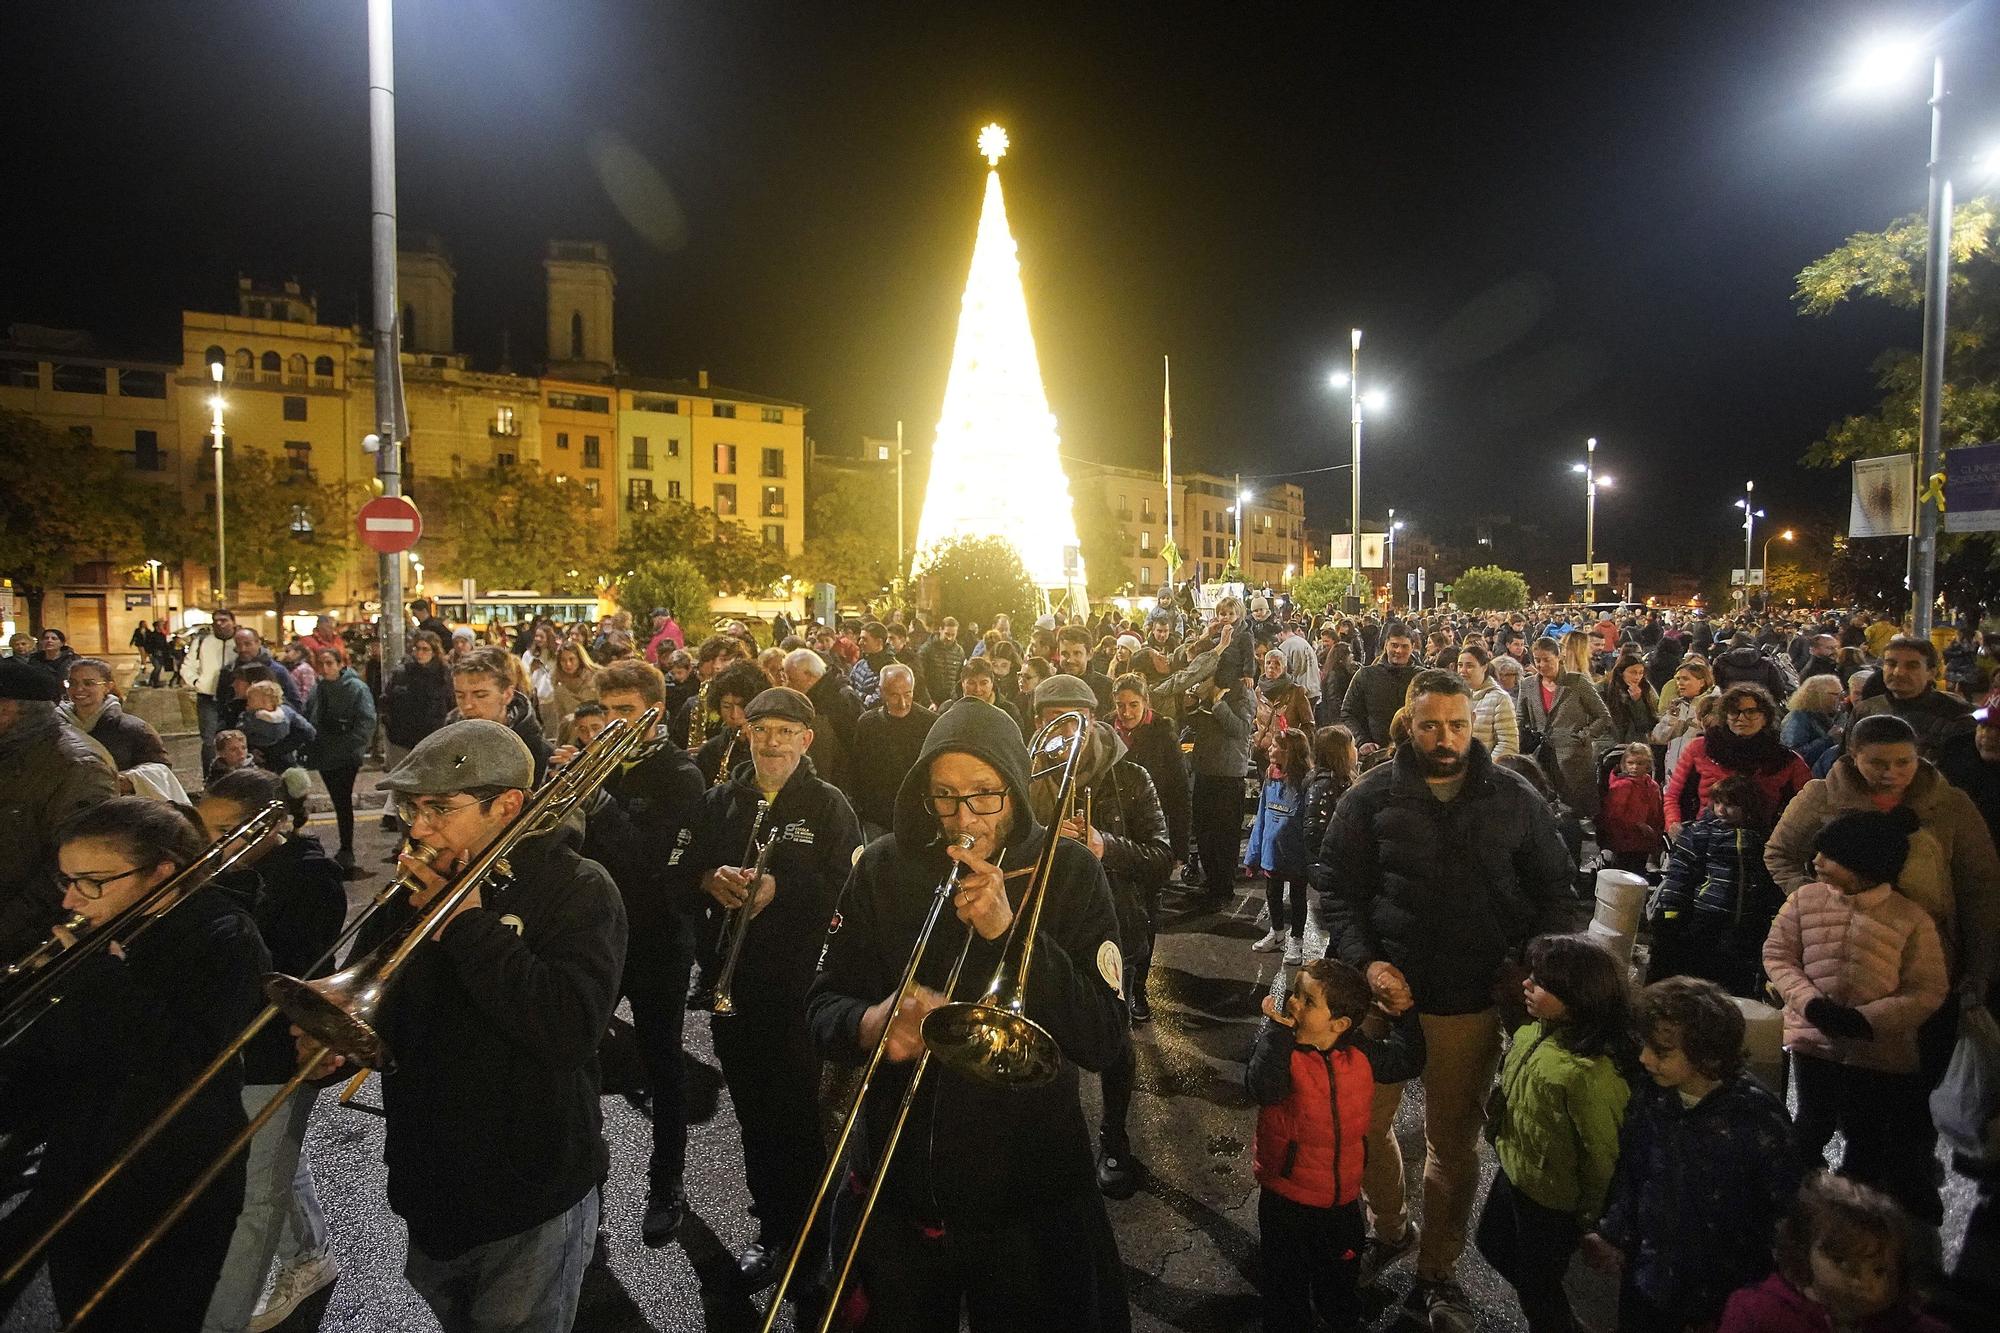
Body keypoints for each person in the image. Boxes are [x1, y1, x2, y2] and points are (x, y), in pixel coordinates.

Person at [803, 699, 1132, 1329]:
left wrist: (1013, 935)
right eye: (945, 795)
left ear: (1016, 789)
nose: (964, 816)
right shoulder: (880, 867)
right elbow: (822, 1000)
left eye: (985, 795)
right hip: (899, 1193)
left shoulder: (1072, 873)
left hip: (1030, 1200)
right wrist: (870, 1022)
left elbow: (1102, 1036)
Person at [298, 720, 626, 1333]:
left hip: (530, 1188)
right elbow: (376, 1000)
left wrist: (465, 924)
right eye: (411, 809)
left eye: (440, 809)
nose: (419, 829)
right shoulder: (415, 884)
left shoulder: (580, 888)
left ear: (507, 805)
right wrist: (337, 1047)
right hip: (431, 1180)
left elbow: (568, 1030)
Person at [1313, 669, 1577, 1330]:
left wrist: (1527, 973)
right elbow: (1337, 889)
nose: (1446, 737)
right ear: (1409, 723)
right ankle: (1390, 1225)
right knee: (1365, 1127)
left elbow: (1556, 892)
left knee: (1451, 1145)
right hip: (1385, 1003)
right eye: (1431, 724)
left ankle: (1435, 1270)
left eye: (1457, 724)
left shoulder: (1514, 798)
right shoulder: (1370, 796)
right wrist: (1369, 961)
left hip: (1471, 1001)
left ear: (1475, 722)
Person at [0, 798, 268, 1331]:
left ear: (162, 873)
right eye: (67, 881)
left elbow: (186, 1062)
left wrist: (100, 982)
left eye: (91, 881)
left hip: (169, 1169)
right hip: (82, 1155)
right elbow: (58, 1055)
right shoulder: (100, 933)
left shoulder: (225, 934)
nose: (72, 899)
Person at [668, 688, 860, 1295]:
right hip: (733, 987)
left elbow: (850, 891)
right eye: (761, 730)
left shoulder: (830, 807)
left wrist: (783, 888)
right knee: (753, 1115)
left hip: (798, 987)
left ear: (806, 740)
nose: (771, 742)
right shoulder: (718, 801)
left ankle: (812, 1237)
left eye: (784, 731)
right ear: (745, 735)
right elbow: (673, 873)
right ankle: (775, 1228)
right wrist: (708, 879)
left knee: (798, 1117)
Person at [1765, 712, 2000, 1087]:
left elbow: (1980, 887)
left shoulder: (1950, 805)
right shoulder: (1821, 797)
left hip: (1926, 957)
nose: (1891, 772)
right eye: (1877, 763)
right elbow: (1780, 853)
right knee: (1831, 1078)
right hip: (1835, 958)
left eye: (1903, 762)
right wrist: (1816, 901)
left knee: (1915, 1081)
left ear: (1919, 756)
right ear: (1854, 755)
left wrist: (1980, 964)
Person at [196, 769, 347, 1333]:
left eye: (229, 831)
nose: (216, 845)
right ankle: (310, 1256)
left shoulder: (307, 876)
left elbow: (278, 961)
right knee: (271, 1158)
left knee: (256, 1192)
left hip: (279, 1042)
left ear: (275, 822)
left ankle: (224, 1318)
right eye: (206, 832)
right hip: (234, 1042)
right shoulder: (227, 875)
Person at [570, 659, 709, 1248]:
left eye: (626, 711)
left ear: (653, 711)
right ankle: (585, 1186)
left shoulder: (681, 775)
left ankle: (666, 1181)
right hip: (597, 938)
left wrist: (599, 803)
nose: (614, 722)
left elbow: (656, 869)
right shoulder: (600, 765)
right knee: (579, 1058)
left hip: (657, 938)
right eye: (608, 711)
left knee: (661, 1058)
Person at [1582, 976, 1801, 1333]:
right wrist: (1614, 1232)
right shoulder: (1652, 1095)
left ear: (1709, 1055)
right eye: (1645, 1045)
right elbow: (1633, 1171)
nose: (1644, 1058)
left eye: (1661, 1052)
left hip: (1718, 1295)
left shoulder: (1757, 1118)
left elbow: (1783, 1210)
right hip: (1647, 1278)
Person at [1763, 808, 1949, 1223]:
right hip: (1813, 1040)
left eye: (1829, 856)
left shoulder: (1910, 918)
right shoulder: (1805, 900)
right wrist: (1808, 1001)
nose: (1817, 862)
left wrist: (1869, 1020)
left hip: (1878, 1053)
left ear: (1865, 863)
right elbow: (1778, 955)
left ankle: (1850, 1219)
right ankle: (1790, 1209)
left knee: (1866, 1139)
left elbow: (1927, 988)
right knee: (1811, 1124)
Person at [1025, 674, 1171, 1198]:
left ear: (1093, 722)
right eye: (1051, 720)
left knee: (1112, 1039)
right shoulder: (1025, 776)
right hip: (1045, 928)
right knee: (1043, 1038)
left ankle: (1114, 1136)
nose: (1063, 732)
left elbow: (1161, 855)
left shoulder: (1129, 775)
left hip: (1113, 925)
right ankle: (1052, 1138)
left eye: (1075, 720)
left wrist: (1102, 844)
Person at [1246, 959, 1425, 1333]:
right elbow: (1263, 1087)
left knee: (1341, 1269)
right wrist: (1275, 1033)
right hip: (1286, 1199)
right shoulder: (1285, 1051)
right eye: (1295, 994)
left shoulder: (1359, 1053)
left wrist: (1405, 1017)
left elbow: (1406, 1060)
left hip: (1341, 1200)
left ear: (1340, 1024)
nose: (1294, 1003)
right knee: (1284, 1281)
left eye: (1307, 1001)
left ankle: (1340, 1314)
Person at [1476, 935, 1633, 1333]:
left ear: (1578, 999)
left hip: (1551, 1201)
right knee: (1491, 1244)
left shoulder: (1589, 1074)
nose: (1526, 984)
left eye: (1540, 983)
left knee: (1537, 1286)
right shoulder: (1535, 1030)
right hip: (1514, 1170)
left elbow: (1601, 1156)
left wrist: (1591, 1221)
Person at [1718, 1172, 1950, 1333]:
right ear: (1803, 1251)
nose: (1863, 1282)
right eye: (1845, 1264)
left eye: (1879, 1271)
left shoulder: (1905, 1323)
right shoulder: (1758, 1314)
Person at [1664, 683, 1810, 835]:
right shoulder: (1700, 748)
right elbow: (1674, 795)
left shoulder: (1785, 760)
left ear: (1765, 716)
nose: (1741, 718)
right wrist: (1674, 825)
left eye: (1751, 712)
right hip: (1705, 840)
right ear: (1725, 716)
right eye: (1734, 712)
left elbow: (1807, 805)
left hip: (1761, 842)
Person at [1516, 635, 1613, 818]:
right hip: (1541, 756)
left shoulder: (1577, 682)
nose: (1541, 665)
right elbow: (1520, 719)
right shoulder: (1527, 684)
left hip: (1573, 757)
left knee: (1576, 809)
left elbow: (1603, 716)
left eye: (1547, 660)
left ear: (1559, 657)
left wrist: (1585, 735)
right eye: (1537, 660)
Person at [1110, 672, 1190, 887]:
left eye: (1133, 705)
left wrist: (1179, 847)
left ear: (1145, 702)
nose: (1126, 713)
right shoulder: (1106, 730)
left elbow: (1179, 791)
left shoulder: (1163, 733)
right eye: (1120, 705)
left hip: (1150, 824)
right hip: (1117, 825)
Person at [306, 643, 375, 879]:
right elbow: (310, 714)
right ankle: (345, 849)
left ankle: (347, 849)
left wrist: (351, 746)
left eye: (329, 663)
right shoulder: (319, 688)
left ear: (340, 664)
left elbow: (366, 722)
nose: (325, 669)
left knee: (343, 802)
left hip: (345, 755)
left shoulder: (355, 688)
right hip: (325, 752)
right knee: (338, 800)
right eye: (321, 664)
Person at [850, 663, 938, 842]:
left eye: (908, 694)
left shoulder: (930, 723)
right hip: (877, 817)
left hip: (918, 817)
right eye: (894, 695)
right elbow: (857, 770)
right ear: (882, 692)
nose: (903, 703)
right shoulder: (867, 724)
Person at [1246, 730, 1313, 961]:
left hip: (1295, 852)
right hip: (1272, 850)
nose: (1269, 749)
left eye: (1274, 746)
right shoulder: (1270, 775)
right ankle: (1277, 933)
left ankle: (1296, 940)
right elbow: (1262, 814)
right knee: (1272, 892)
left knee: (1297, 897)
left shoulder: (1306, 781)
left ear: (1288, 751)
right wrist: (1253, 855)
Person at [1189, 675, 1256, 903]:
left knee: (1225, 836)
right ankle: (1211, 881)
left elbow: (1241, 729)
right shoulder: (1207, 688)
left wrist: (1219, 704)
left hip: (1228, 774)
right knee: (1204, 831)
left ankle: (1223, 887)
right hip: (1205, 769)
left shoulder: (1243, 692)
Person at [377, 630, 453, 830]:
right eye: (417, 649)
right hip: (402, 739)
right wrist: (389, 723)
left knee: (428, 793)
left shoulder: (444, 675)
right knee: (403, 792)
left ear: (435, 651)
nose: (420, 653)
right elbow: (387, 700)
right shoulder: (403, 672)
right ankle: (405, 837)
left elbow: (450, 704)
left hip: (432, 739)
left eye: (425, 649)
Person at [1855, 635, 1973, 760]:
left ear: (1931, 673)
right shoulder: (1865, 710)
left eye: (1912, 666)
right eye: (1891, 664)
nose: (1898, 672)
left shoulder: (1957, 716)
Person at [448, 646, 551, 783]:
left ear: (507, 695)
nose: (467, 705)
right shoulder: (445, 743)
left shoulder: (540, 754)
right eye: (460, 696)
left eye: (480, 695)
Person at [60, 656, 170, 777]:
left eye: (89, 683)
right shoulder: (54, 728)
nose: (79, 689)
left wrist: (127, 782)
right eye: (72, 683)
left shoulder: (134, 729)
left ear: (108, 687)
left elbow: (161, 770)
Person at [1341, 621, 1420, 758]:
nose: (1399, 651)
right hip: (1376, 755)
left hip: (1415, 755)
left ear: (1412, 647)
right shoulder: (1366, 675)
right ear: (1386, 645)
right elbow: (1348, 712)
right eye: (1394, 645)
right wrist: (1362, 741)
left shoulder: (1422, 678)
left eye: (1404, 646)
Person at [180, 609, 240, 776]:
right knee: (209, 742)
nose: (219, 623)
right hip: (208, 697)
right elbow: (188, 666)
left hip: (234, 699)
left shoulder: (239, 641)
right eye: (216, 620)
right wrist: (196, 683)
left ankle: (236, 777)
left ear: (233, 622)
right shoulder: (202, 641)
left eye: (224, 620)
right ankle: (210, 779)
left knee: (236, 739)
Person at [1599, 741, 1663, 874]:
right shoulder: (1621, 786)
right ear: (1624, 764)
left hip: (1644, 841)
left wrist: (1655, 834)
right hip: (1623, 842)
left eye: (1639, 763)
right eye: (1630, 763)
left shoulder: (1653, 786)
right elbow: (1613, 814)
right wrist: (1637, 824)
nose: (1634, 767)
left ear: (1647, 765)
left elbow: (1656, 813)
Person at [1651, 657, 1716, 779]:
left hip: (1699, 773)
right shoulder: (1677, 706)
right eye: (1678, 679)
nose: (1679, 683)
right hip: (1673, 773)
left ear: (1702, 682)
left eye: (1685, 679)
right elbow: (1658, 738)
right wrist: (1670, 718)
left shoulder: (1713, 706)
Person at [1457, 643, 1519, 758]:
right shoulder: (1457, 696)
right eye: (1460, 665)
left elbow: (1508, 744)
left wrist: (1487, 768)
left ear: (1484, 667)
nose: (1463, 670)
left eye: (1469, 666)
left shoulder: (1500, 698)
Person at [1781, 673, 1846, 771]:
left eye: (1842, 694)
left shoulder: (1840, 715)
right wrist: (1828, 740)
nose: (1842, 699)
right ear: (1817, 695)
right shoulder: (1798, 717)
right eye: (1836, 695)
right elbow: (1792, 755)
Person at [1599, 651, 1658, 749]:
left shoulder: (1645, 689)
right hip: (1608, 745)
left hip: (1634, 746)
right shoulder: (1603, 689)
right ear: (1621, 672)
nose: (1637, 677)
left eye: (1641, 673)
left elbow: (1645, 725)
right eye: (1632, 672)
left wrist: (1637, 701)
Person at [918, 616, 966, 705]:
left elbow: (960, 679)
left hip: (950, 701)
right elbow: (920, 678)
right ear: (940, 630)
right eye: (947, 634)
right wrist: (928, 701)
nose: (949, 638)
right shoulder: (926, 649)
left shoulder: (960, 652)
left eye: (953, 635)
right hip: (931, 700)